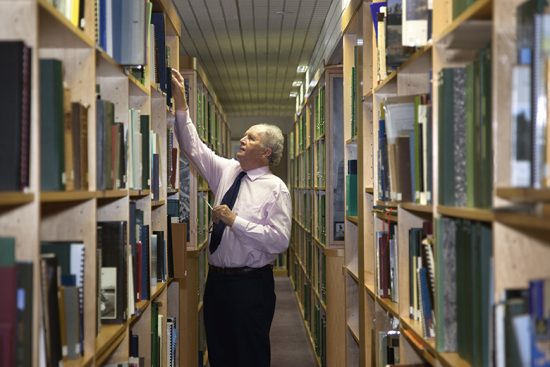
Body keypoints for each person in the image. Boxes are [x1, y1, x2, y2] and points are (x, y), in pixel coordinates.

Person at [171, 69, 292, 367]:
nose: (242, 139)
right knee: (220, 354)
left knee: (249, 356)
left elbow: (279, 241)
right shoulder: (227, 170)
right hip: (217, 284)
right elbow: (193, 147)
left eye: (249, 138)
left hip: (251, 287)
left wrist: (235, 221)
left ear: (265, 152)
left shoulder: (276, 189)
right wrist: (181, 105)